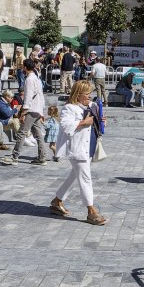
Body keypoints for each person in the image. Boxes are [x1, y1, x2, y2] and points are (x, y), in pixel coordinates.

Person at [49, 80, 107, 225]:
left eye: (90, 93)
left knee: (75, 176)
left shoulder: (92, 106)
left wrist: (101, 121)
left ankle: (57, 201)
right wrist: (82, 123)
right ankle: (91, 211)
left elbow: (95, 125)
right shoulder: (70, 108)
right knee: (85, 178)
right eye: (87, 94)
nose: (90, 96)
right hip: (77, 149)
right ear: (78, 94)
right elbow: (66, 126)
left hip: (89, 147)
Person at [4, 58, 46, 165]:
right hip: (37, 109)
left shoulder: (29, 80)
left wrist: (23, 112)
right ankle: (42, 157)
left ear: (25, 67)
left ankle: (15, 156)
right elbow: (40, 96)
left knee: (22, 132)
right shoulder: (36, 78)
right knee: (38, 134)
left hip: (31, 110)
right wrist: (41, 111)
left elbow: (27, 97)